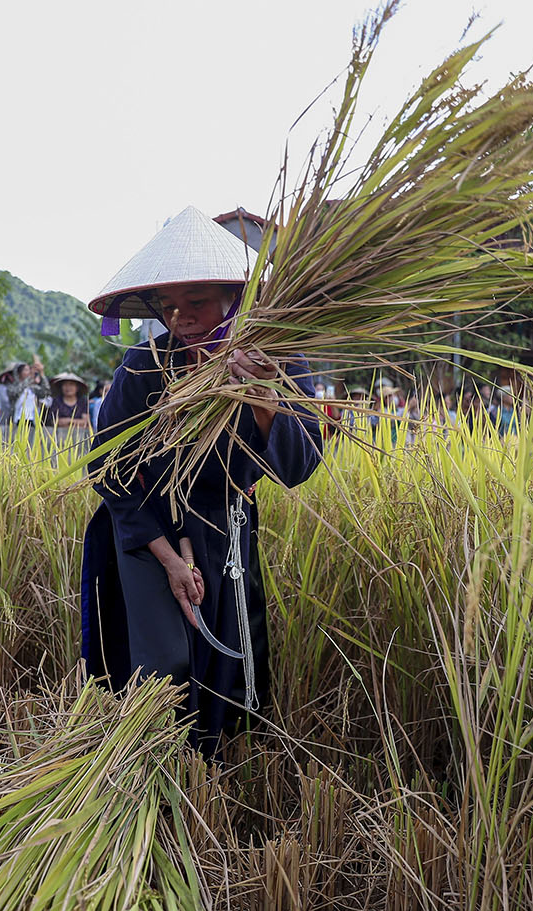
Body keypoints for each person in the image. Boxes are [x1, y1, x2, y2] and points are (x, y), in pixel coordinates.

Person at [79, 206, 323, 756]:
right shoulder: (145, 365)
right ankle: (140, 774)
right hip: (144, 529)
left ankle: (207, 780)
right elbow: (107, 468)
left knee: (225, 672)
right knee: (162, 666)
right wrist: (169, 557)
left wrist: (263, 398)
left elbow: (299, 466)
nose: (180, 317)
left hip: (223, 529)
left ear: (232, 299)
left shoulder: (275, 360)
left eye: (196, 302)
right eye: (170, 306)